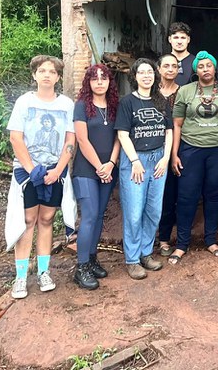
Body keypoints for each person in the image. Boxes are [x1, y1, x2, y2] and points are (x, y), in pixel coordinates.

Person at [6, 55, 75, 299]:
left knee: (46, 218)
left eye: (52, 71)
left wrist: (58, 169)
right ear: (34, 75)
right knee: (27, 220)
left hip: (55, 169)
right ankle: (21, 276)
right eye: (42, 70)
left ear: (58, 77)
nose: (47, 74)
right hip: (28, 171)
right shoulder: (24, 102)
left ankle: (44, 272)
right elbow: (16, 137)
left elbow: (70, 139)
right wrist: (32, 168)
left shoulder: (66, 104)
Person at [169, 51, 218, 263]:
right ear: (195, 70)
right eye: (201, 66)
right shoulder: (186, 91)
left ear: (215, 68)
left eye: (209, 65)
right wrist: (174, 155)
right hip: (191, 149)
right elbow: (177, 124)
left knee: (214, 195)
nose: (205, 69)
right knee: (187, 196)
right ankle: (181, 244)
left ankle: (210, 240)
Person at [115, 58, 172, 280]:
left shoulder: (161, 101)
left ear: (155, 76)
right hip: (135, 161)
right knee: (134, 212)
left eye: (150, 72)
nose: (146, 76)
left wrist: (166, 157)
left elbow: (169, 131)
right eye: (142, 72)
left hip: (158, 159)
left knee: (153, 210)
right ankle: (131, 259)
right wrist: (135, 161)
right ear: (135, 77)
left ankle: (146, 253)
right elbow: (122, 134)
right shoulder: (127, 102)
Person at [71, 64, 121, 290]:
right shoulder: (82, 106)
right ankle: (80, 267)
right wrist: (100, 166)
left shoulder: (114, 107)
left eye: (104, 78)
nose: (99, 82)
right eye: (95, 78)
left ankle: (92, 259)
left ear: (110, 81)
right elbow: (82, 140)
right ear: (88, 82)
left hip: (108, 168)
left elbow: (120, 137)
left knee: (100, 215)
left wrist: (110, 163)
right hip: (86, 170)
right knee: (89, 216)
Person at [157, 54, 181, 257]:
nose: (170, 69)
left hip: (179, 150)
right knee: (158, 194)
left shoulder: (183, 92)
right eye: (166, 66)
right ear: (159, 69)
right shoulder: (150, 92)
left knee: (174, 193)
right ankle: (154, 239)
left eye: (174, 66)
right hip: (153, 149)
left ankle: (167, 238)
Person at [168, 21, 194, 86]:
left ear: (188, 39)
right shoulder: (162, 62)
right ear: (169, 39)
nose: (179, 42)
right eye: (176, 37)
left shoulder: (196, 62)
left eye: (183, 38)